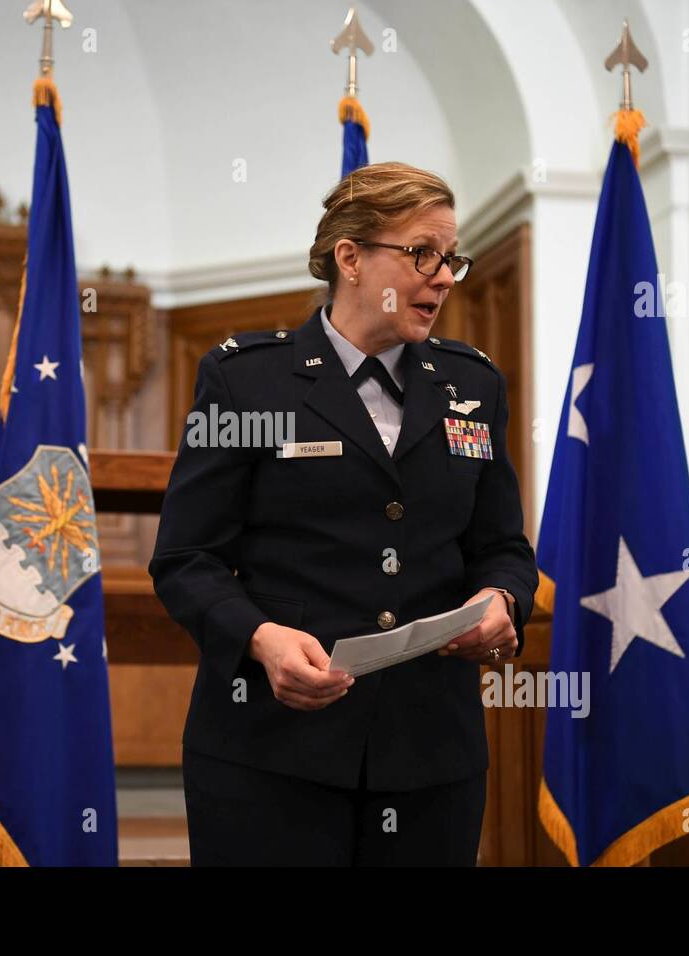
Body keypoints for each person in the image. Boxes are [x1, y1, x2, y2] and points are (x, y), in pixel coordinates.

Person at [148, 161, 538, 866]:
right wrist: (261, 638)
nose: (446, 275)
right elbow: (186, 560)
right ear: (351, 258)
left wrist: (501, 599)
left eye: (453, 257)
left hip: (430, 757)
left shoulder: (472, 385)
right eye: (423, 253)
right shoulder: (247, 381)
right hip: (269, 752)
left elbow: (502, 547)